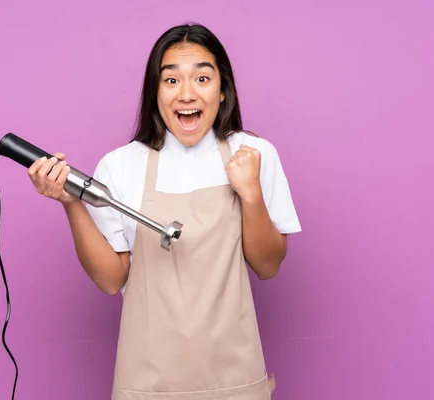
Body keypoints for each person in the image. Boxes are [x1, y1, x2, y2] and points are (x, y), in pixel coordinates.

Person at [27, 23, 301, 400]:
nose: (186, 94)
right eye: (170, 81)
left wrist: (251, 194)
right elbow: (111, 280)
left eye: (203, 78)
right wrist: (71, 202)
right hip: (147, 380)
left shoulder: (253, 155)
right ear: (154, 92)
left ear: (223, 91)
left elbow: (268, 267)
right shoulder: (120, 165)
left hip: (233, 376)